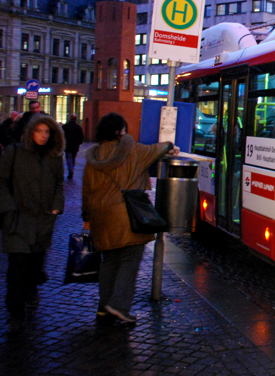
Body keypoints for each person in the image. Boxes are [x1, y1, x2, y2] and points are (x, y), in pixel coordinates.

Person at [81, 113, 178, 323]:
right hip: (126, 216)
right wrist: (170, 144)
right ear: (120, 132)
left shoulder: (93, 157)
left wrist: (87, 216)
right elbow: (156, 149)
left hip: (101, 218)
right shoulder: (132, 151)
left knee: (109, 261)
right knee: (130, 258)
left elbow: (86, 191)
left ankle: (103, 307)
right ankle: (119, 306)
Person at [0, 113, 65, 336]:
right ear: (31, 132)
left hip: (42, 221)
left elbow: (59, 183)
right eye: (39, 131)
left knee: (34, 265)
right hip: (18, 219)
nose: (44, 136)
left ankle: (31, 289)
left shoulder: (54, 156)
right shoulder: (15, 152)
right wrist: (9, 209)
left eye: (47, 132)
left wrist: (55, 207)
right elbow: (2, 181)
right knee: (17, 267)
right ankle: (16, 313)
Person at [62, 114, 84, 180]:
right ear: (76, 119)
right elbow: (81, 137)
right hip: (75, 146)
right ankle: (72, 170)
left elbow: (62, 135)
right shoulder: (78, 127)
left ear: (69, 119)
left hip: (67, 145)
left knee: (68, 158)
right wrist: (79, 143)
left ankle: (70, 170)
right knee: (73, 158)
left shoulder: (65, 126)